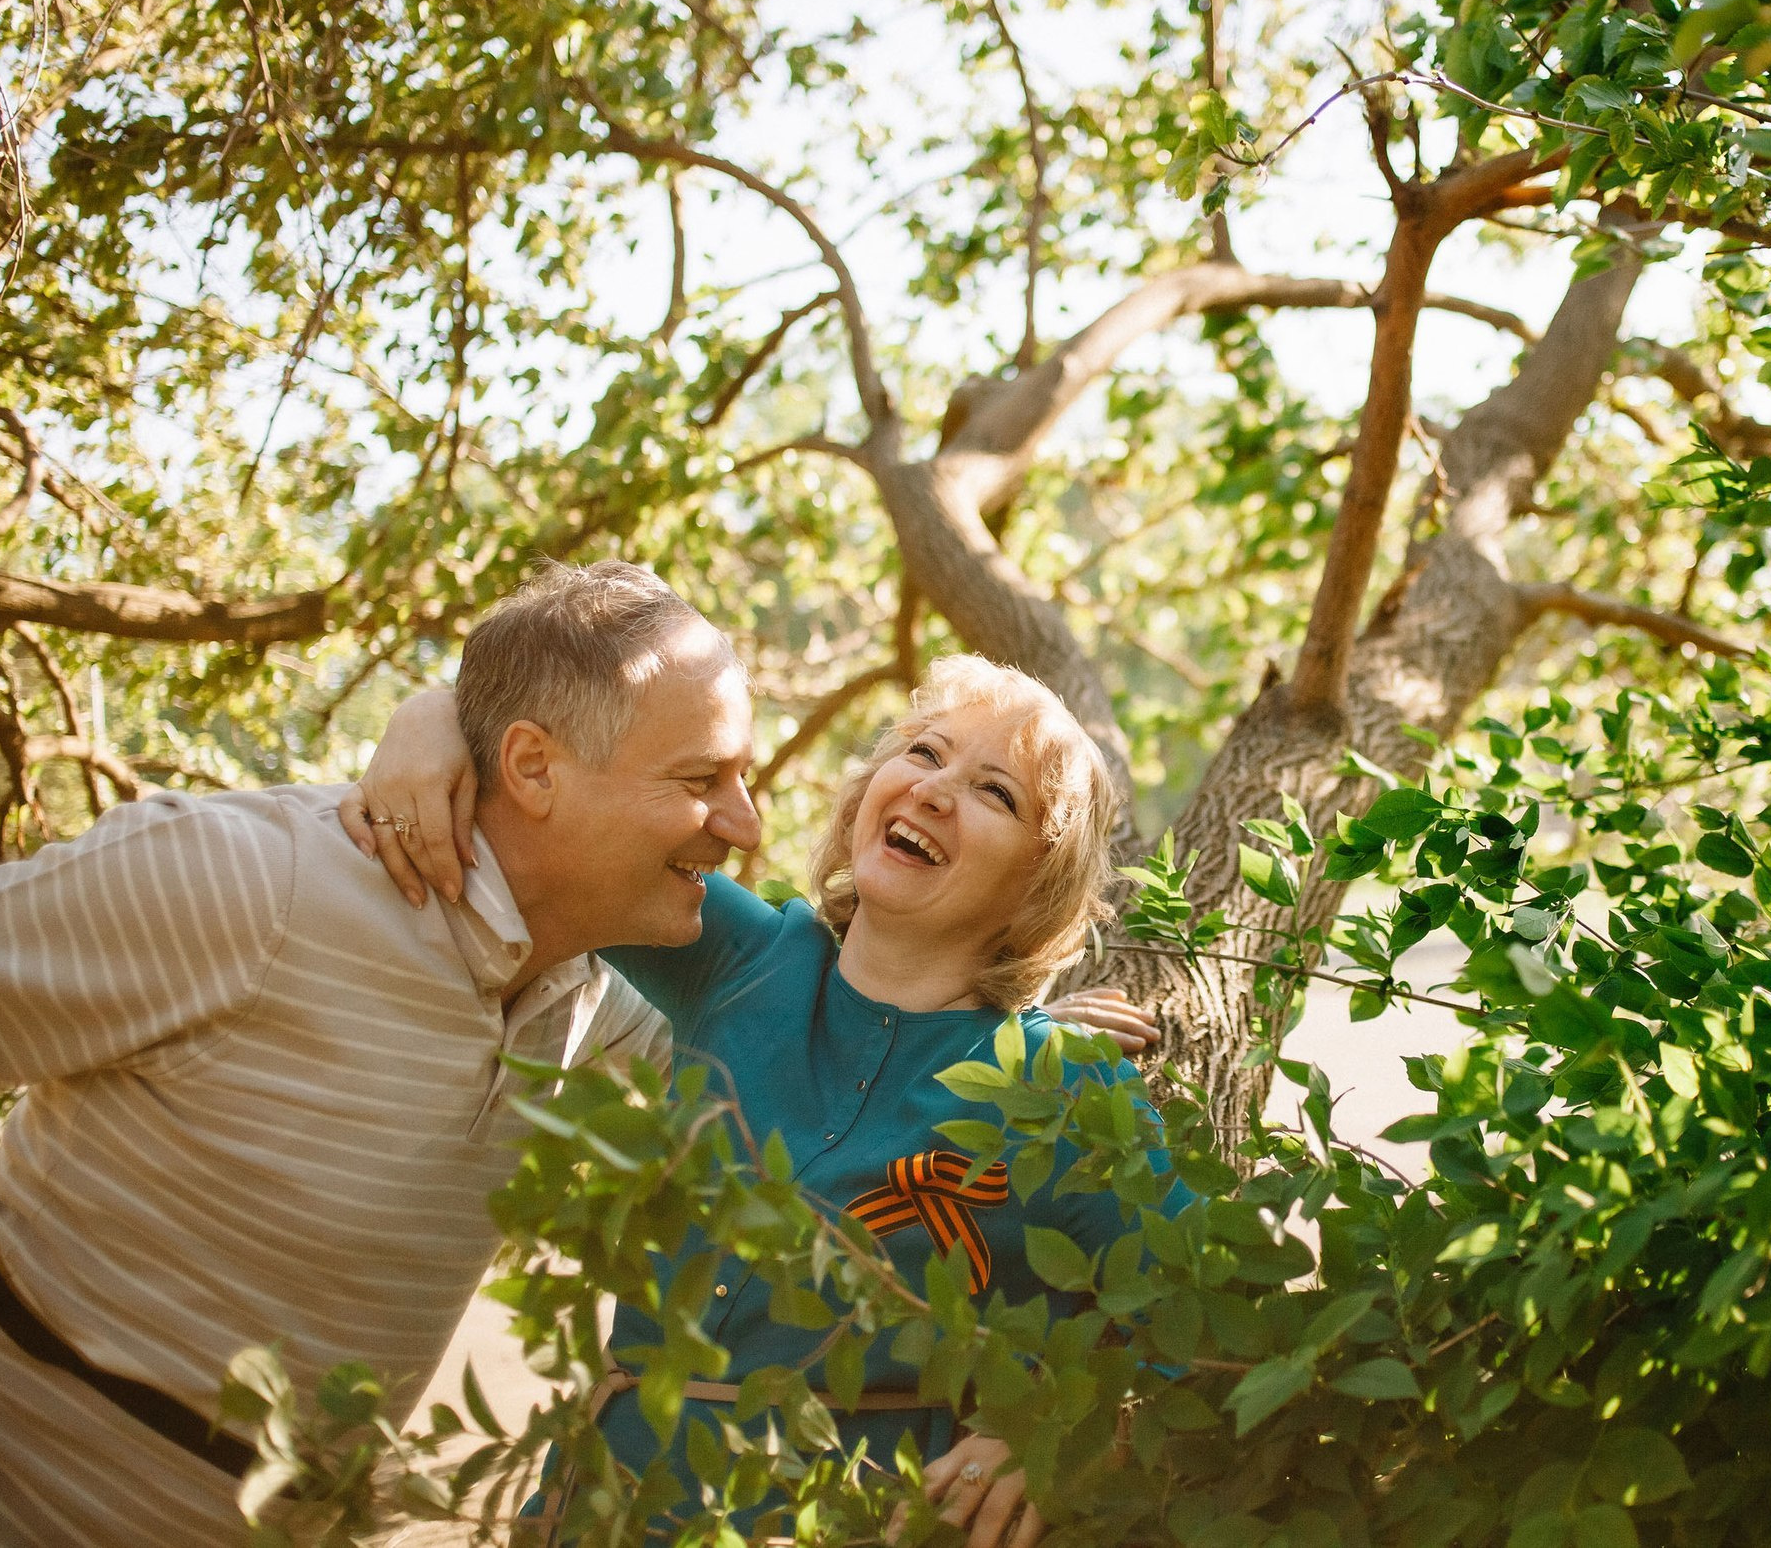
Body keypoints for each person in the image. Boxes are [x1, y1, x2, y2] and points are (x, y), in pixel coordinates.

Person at [0, 561, 757, 1548]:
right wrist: (448, 707)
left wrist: (443, 707)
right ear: (532, 768)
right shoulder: (247, 880)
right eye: (701, 780)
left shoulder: (607, 1010)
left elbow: (842, 1041)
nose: (746, 824)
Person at [348, 654, 1183, 1548]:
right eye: (925, 752)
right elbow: (558, 809)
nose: (935, 790)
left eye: (995, 792)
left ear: (1036, 885)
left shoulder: (1061, 1088)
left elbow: (1210, 1316)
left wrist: (1061, 1430)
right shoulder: (747, 956)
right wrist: (433, 719)